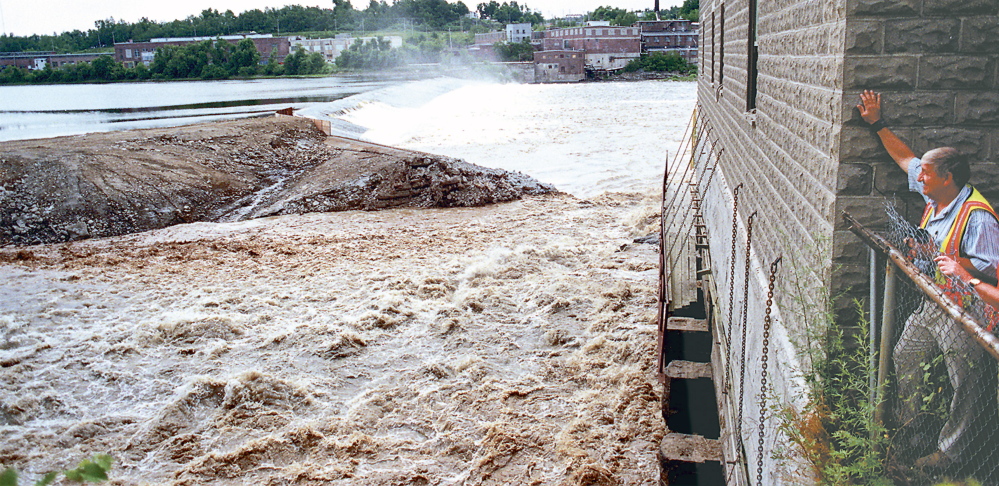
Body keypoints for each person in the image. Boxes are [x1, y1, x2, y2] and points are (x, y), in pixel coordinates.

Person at [858, 90, 999, 475]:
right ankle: (914, 425)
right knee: (906, 356)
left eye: (926, 173)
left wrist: (950, 259)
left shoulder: (978, 217)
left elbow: (996, 268)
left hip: (965, 310)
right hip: (933, 300)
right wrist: (877, 124)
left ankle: (949, 456)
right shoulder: (935, 193)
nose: (918, 176)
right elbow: (904, 157)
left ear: (947, 177)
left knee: (966, 384)